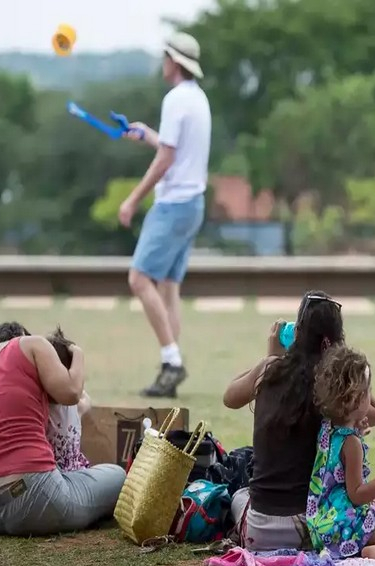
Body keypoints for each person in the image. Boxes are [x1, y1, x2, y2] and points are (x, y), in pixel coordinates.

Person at [222, 291, 375, 551]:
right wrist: (345, 369)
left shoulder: (269, 370)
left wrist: (271, 357)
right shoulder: (334, 389)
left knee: (240, 495)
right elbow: (374, 413)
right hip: (313, 526)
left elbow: (230, 397)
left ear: (296, 332)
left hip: (258, 529)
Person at [0, 322, 126, 536]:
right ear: (23, 335)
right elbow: (71, 393)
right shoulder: (33, 344)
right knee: (118, 476)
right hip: (36, 498)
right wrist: (77, 353)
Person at [118, 31, 211, 398]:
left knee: (139, 278)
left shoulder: (174, 99)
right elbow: (174, 147)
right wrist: (147, 135)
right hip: (194, 205)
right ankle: (169, 369)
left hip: (172, 205)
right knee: (169, 287)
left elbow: (168, 158)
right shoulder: (198, 98)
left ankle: (172, 361)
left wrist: (133, 199)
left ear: (174, 61)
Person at [307, 345, 375, 561]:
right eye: (368, 392)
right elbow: (357, 495)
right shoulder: (351, 443)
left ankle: (369, 551)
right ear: (354, 399)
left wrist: (355, 426)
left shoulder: (327, 429)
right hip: (344, 523)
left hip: (320, 525)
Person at [45, 326, 91, 472]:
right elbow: (85, 399)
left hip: (50, 478)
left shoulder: (38, 407)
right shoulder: (76, 407)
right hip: (77, 475)